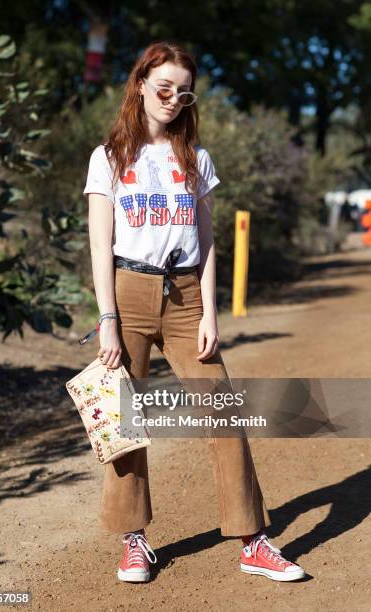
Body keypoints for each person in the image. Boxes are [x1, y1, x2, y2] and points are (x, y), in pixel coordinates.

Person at [83, 41, 305, 584]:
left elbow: (207, 243)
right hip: (128, 290)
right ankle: (135, 541)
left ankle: (253, 541)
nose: (174, 99)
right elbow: (99, 243)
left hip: (185, 297)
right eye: (164, 88)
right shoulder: (109, 156)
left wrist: (209, 312)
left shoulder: (196, 158)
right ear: (140, 84)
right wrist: (107, 319)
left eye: (184, 92)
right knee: (123, 423)